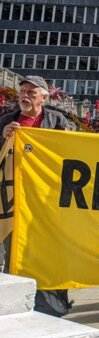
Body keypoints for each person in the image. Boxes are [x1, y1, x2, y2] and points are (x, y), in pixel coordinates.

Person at [0, 75, 70, 316]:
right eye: (22, 91)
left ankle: (54, 303)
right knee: (13, 249)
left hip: (46, 199)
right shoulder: (6, 121)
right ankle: (14, 302)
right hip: (14, 199)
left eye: (31, 92)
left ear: (44, 97)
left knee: (48, 251)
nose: (25, 95)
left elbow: (70, 153)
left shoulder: (57, 121)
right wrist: (4, 137)